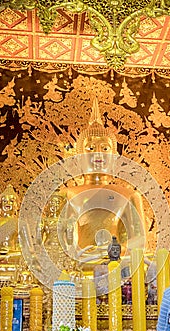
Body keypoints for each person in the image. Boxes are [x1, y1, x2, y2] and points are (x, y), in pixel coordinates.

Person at [62, 97, 147, 262]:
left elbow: (141, 241)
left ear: (114, 157)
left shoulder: (130, 195)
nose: (98, 154)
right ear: (79, 157)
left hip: (114, 263)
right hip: (78, 265)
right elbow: (56, 238)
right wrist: (78, 254)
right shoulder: (65, 194)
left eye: (105, 148)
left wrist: (114, 250)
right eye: (91, 148)